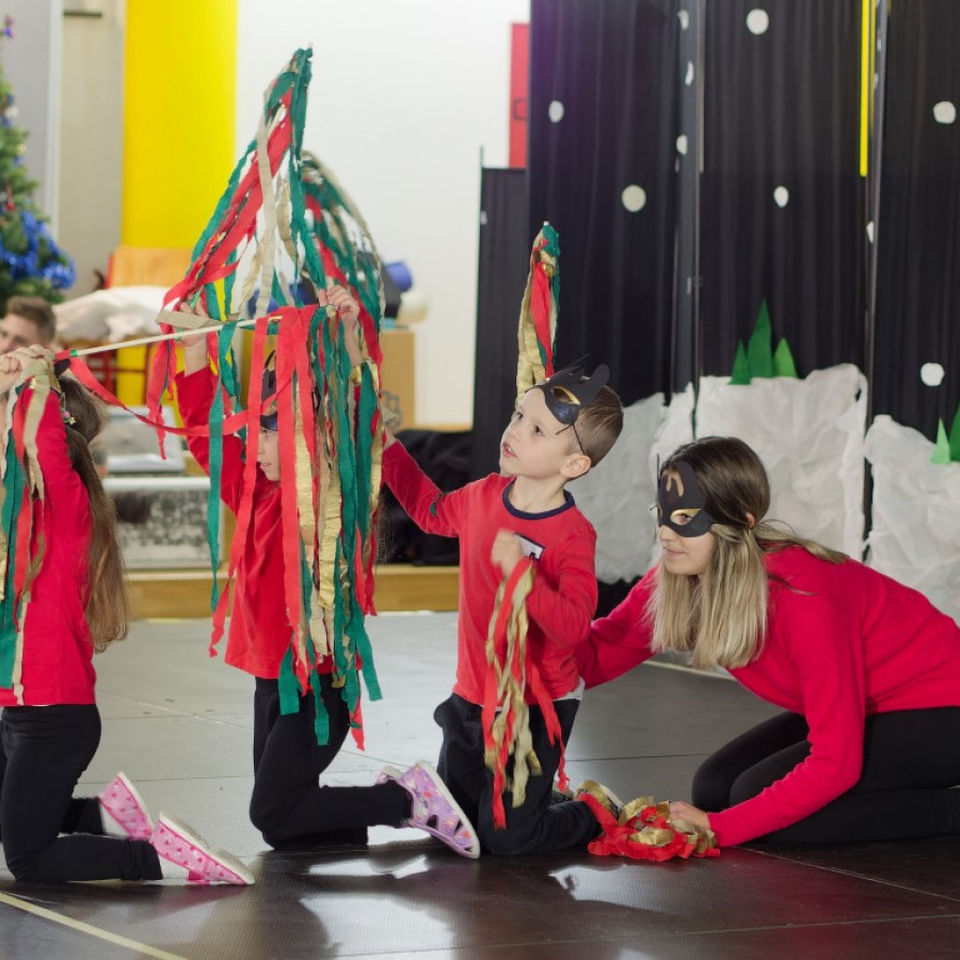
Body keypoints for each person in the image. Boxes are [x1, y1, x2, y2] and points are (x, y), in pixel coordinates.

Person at [174, 289, 480, 858]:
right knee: (279, 827)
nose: (255, 443)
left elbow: (355, 413)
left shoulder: (338, 500)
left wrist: (347, 335)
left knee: (267, 809)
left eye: (270, 431)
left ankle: (406, 802)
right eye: (255, 429)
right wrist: (195, 353)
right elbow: (204, 436)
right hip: (272, 680)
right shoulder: (256, 493)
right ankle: (381, 815)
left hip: (319, 685)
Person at [577, 436, 960, 848]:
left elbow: (836, 764)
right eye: (662, 513)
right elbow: (601, 652)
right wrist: (519, 648)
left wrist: (721, 829)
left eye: (686, 517)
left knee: (754, 810)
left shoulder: (801, 594)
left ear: (742, 521)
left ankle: (947, 814)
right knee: (714, 788)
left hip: (941, 712)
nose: (666, 533)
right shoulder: (680, 576)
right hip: (869, 703)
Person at [0, 345, 252, 884]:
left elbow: (41, 449)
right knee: (14, 821)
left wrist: (34, 382)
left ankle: (167, 859)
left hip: (53, 721)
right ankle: (104, 814)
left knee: (29, 860)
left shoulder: (64, 514)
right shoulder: (21, 519)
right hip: (20, 717)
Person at [381, 358, 625, 855]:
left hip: (535, 708)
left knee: (508, 840)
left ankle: (594, 812)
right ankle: (532, 799)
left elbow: (575, 627)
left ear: (573, 465)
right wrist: (388, 450)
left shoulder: (573, 535)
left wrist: (523, 575)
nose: (514, 432)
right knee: (457, 821)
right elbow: (430, 514)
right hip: (471, 694)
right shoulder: (484, 496)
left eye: (536, 429)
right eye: (518, 416)